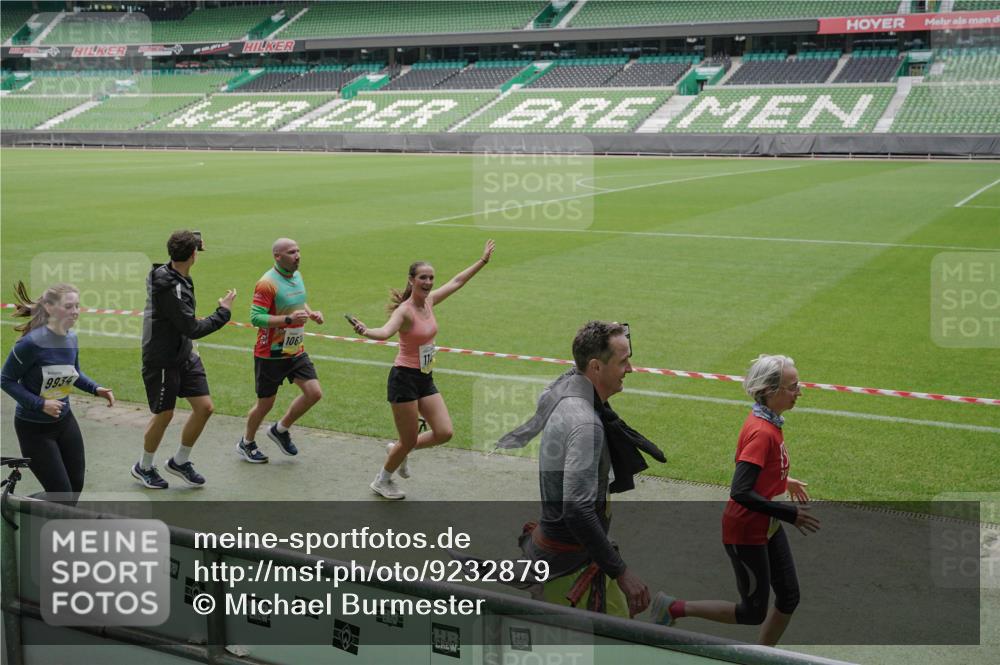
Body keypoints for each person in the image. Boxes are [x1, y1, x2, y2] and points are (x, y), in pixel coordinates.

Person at [652, 354, 820, 646]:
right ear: (770, 391)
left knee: (789, 596)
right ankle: (674, 607)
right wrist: (789, 513)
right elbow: (740, 491)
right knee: (753, 611)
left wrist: (784, 480)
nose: (799, 392)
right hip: (746, 533)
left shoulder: (768, 421)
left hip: (767, 526)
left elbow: (758, 469)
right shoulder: (762, 431)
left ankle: (762, 655)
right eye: (792, 386)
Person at [509, 321, 650, 617]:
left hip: (580, 556)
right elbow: (576, 508)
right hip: (568, 573)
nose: (631, 368)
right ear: (596, 367)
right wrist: (621, 572)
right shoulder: (587, 425)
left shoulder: (565, 388)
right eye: (623, 361)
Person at [351, 240, 495, 500]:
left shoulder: (429, 302)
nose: (428, 283)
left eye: (430, 278)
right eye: (422, 278)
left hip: (425, 377)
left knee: (444, 432)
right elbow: (385, 332)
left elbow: (457, 281)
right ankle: (381, 481)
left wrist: (482, 261)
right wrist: (366, 330)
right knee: (407, 440)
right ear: (411, 280)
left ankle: (398, 450)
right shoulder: (405, 311)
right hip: (403, 379)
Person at [135, 230, 236, 489]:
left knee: (204, 408)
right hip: (163, 359)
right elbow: (193, 328)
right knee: (164, 414)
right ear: (193, 255)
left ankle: (180, 461)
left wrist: (192, 238)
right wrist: (223, 312)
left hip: (184, 353)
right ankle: (144, 467)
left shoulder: (173, 272)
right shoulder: (172, 288)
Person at [1, 282, 114, 504]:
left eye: (77, 307)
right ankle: (17, 508)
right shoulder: (30, 344)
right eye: (69, 307)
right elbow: (5, 380)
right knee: (62, 497)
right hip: (34, 429)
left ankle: (26, 507)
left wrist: (96, 389)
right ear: (51, 308)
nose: (75, 312)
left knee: (74, 489)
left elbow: (74, 373)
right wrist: (40, 404)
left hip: (64, 422)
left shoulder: (71, 338)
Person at [238, 238, 323, 463]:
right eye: (291, 252)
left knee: (314, 393)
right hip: (270, 353)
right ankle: (246, 443)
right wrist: (288, 319)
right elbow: (256, 317)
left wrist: (311, 313)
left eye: (298, 250)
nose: (297, 256)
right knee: (265, 404)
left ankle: (281, 429)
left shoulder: (296, 275)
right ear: (278, 256)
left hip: (294, 350)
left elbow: (298, 302)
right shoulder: (267, 283)